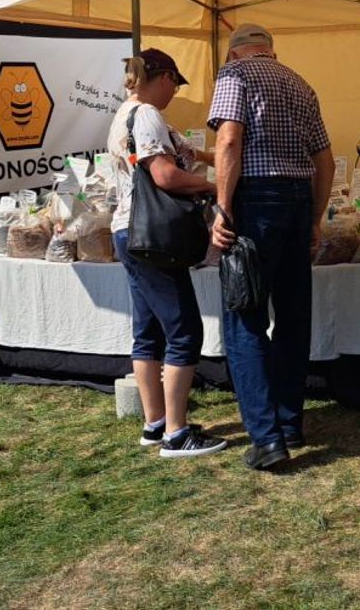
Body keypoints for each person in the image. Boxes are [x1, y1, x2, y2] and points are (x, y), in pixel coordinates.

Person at [208, 23, 335, 471]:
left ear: (234, 52)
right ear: (272, 52)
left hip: (255, 200)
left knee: (244, 316)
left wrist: (223, 208)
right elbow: (325, 161)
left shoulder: (234, 75)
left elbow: (228, 139)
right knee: (293, 319)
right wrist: (315, 218)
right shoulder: (300, 84)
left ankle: (266, 438)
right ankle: (288, 423)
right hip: (298, 199)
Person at [107, 48, 227, 458]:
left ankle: (155, 423)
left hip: (128, 231)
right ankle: (177, 434)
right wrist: (213, 187)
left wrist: (219, 158)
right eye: (175, 84)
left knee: (148, 332)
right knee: (185, 331)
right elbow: (164, 174)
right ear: (163, 78)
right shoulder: (148, 115)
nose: (175, 92)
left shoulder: (125, 113)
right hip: (151, 235)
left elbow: (185, 155)